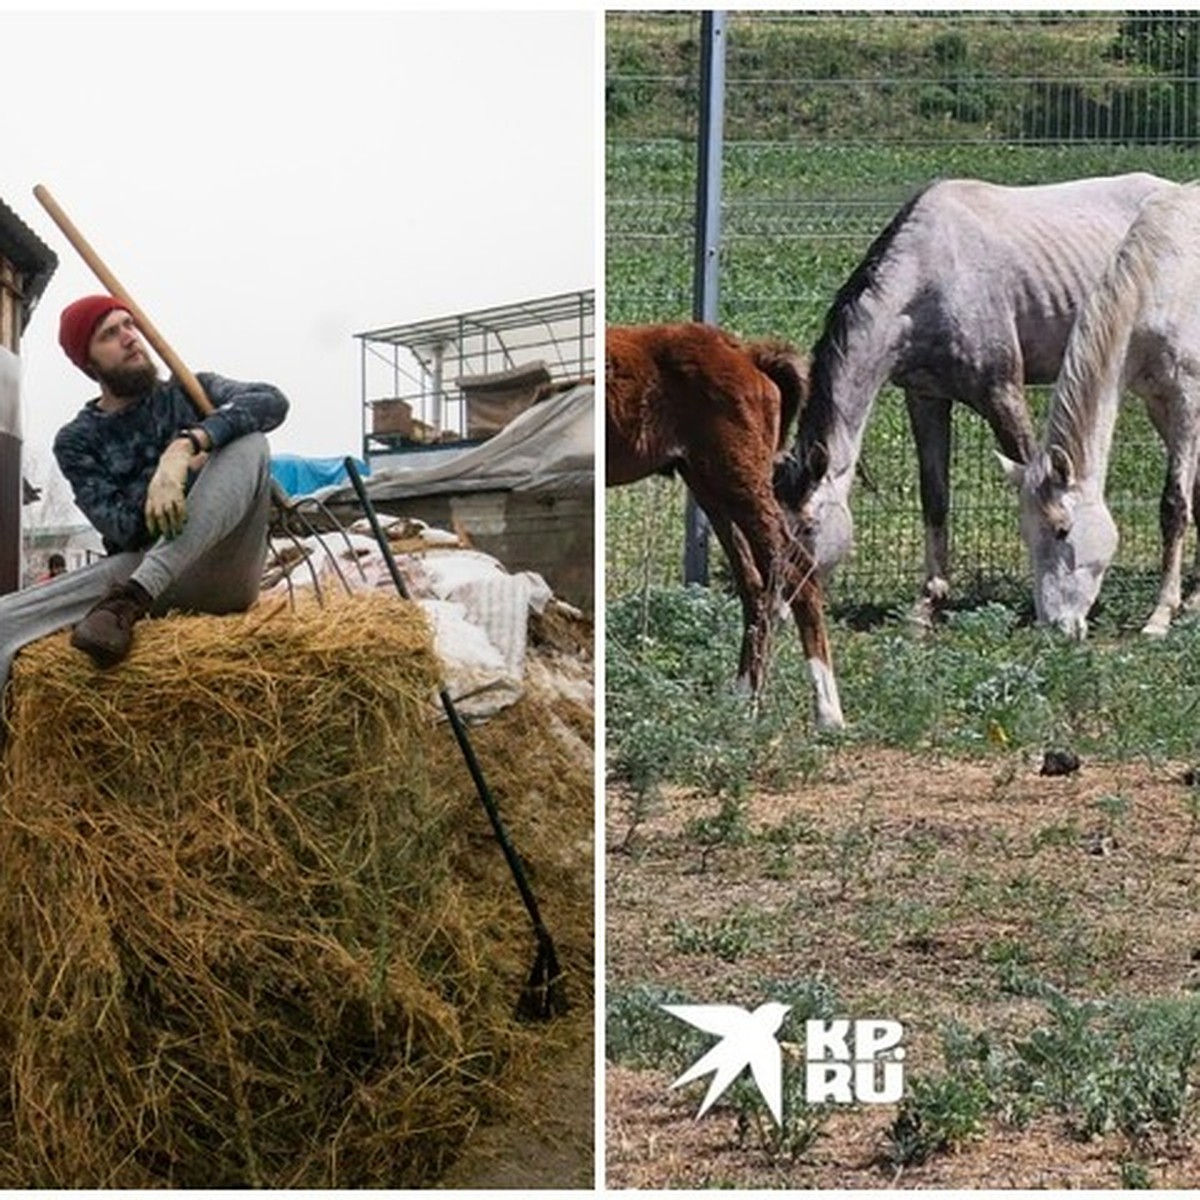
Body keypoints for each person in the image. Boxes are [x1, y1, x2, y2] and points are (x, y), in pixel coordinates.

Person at [0, 294, 288, 703]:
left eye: (129, 325)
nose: (130, 338)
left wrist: (185, 449)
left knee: (250, 441)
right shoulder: (78, 439)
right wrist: (170, 481)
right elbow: (124, 529)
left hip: (223, 569)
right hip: (142, 570)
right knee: (4, 621)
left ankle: (132, 599)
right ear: (89, 363)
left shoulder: (191, 389)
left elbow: (273, 402)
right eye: (110, 335)